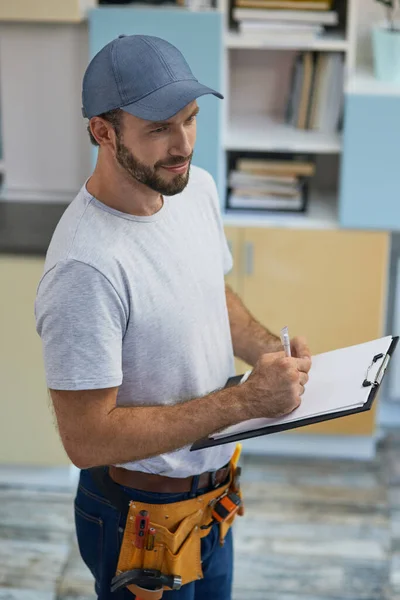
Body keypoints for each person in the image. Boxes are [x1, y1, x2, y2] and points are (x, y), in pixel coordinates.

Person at [35, 34, 311, 600]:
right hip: (139, 515)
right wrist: (246, 401)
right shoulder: (85, 266)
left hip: (214, 499)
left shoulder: (194, 188)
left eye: (190, 119)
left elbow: (212, 292)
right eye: (158, 128)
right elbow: (87, 439)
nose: (181, 143)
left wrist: (267, 353)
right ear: (103, 132)